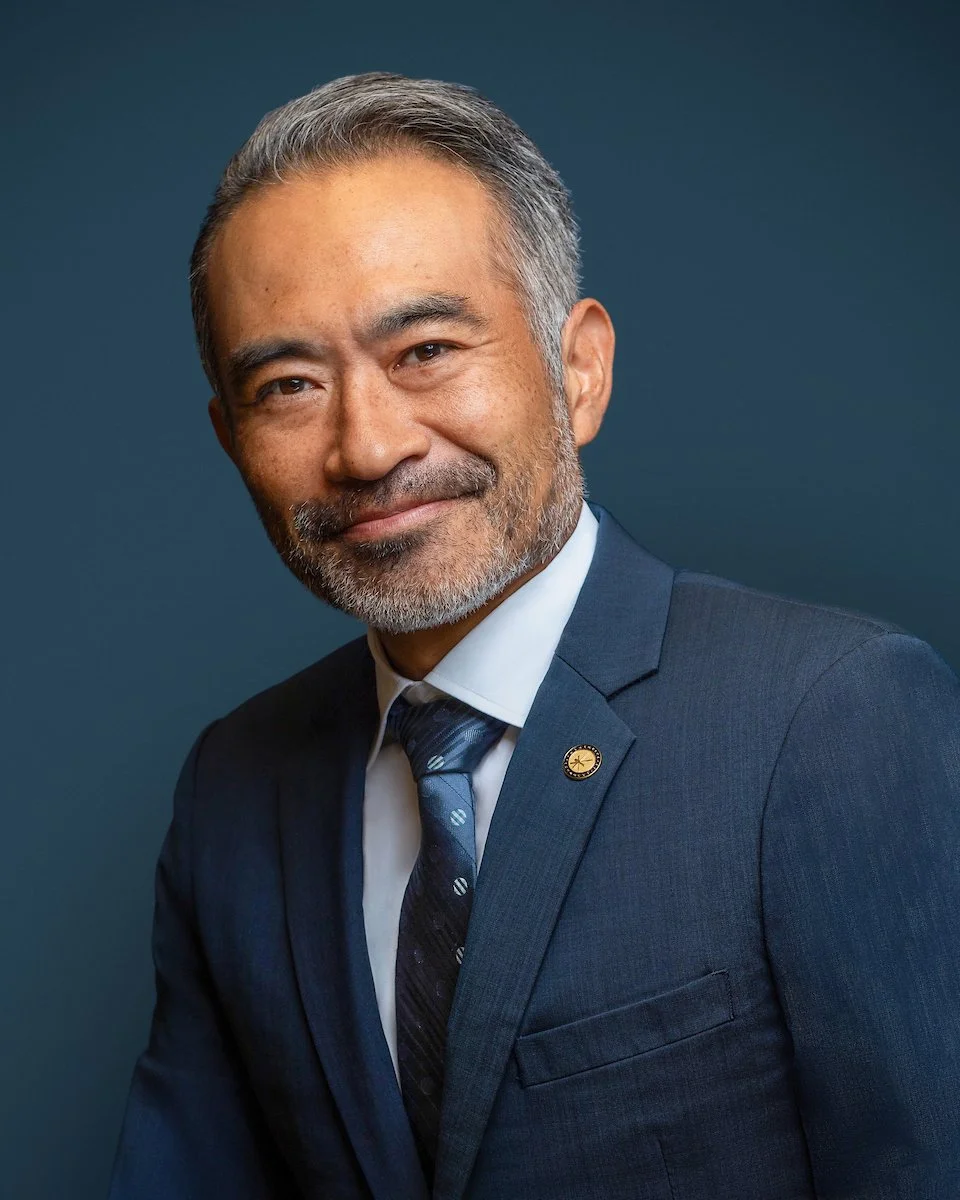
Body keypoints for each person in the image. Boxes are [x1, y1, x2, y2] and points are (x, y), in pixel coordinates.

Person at [108, 72, 960, 1200]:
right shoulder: (233, 790)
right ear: (230, 438)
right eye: (291, 384)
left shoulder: (834, 720)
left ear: (580, 370)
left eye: (425, 352)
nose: (366, 447)